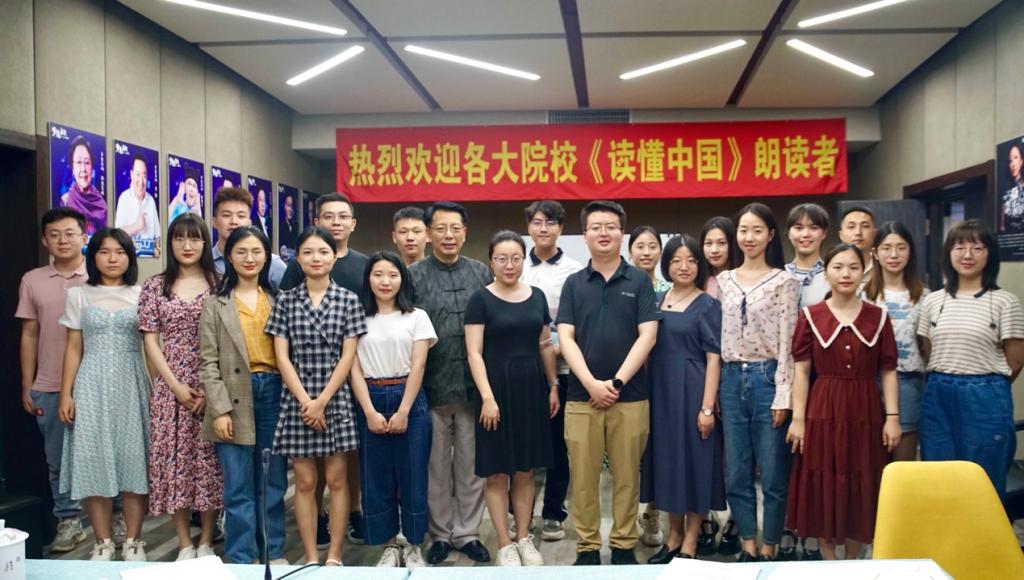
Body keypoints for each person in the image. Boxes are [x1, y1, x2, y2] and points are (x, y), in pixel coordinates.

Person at [557, 200, 660, 566]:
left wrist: (615, 383)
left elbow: (648, 336)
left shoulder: (639, 282)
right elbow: (565, 337)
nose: (604, 232)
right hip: (580, 398)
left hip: (630, 397)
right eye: (596, 227)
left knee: (627, 477)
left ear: (622, 233)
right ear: (584, 234)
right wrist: (590, 384)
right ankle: (587, 547)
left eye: (611, 226)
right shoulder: (573, 283)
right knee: (583, 478)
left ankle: (622, 545)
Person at [786, 243, 901, 560]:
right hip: (823, 408)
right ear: (826, 273)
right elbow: (801, 370)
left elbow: (888, 370)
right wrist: (798, 419)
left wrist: (892, 417)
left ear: (864, 272)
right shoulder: (811, 316)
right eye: (838, 267)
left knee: (863, 477)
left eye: (853, 267)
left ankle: (852, 562)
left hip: (866, 410)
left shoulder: (878, 317)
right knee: (824, 475)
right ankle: (829, 561)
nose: (845, 274)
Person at [265, 227, 367, 566]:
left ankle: (335, 555)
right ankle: (310, 556)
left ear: (333, 257)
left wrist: (321, 401)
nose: (316, 258)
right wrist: (306, 402)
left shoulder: (348, 300)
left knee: (337, 480)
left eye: (323, 252)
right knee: (305, 482)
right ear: (298, 258)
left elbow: (349, 356)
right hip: (297, 400)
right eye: (308, 252)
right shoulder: (286, 300)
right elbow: (282, 357)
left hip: (335, 399)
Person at [465, 231, 558, 567]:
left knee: (525, 469)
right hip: (495, 393)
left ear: (523, 260)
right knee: (496, 472)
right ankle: (504, 542)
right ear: (491, 262)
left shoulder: (537, 296)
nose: (509, 265)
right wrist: (487, 397)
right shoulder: (480, 299)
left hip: (531, 390)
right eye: (501, 259)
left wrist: (552, 386)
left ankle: (523, 537)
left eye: (515, 258)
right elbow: (474, 353)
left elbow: (545, 344)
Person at [58, 228, 150, 562]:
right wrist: (66, 394)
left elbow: (151, 347)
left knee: (133, 460)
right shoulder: (78, 295)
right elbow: (73, 347)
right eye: (104, 252)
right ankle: (103, 541)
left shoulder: (142, 294)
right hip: (91, 384)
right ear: (93, 256)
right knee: (93, 460)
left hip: (132, 381)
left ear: (130, 257)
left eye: (120, 252)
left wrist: (158, 393)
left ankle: (134, 541)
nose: (113, 259)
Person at [410, 201, 494, 565]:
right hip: (430, 387)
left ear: (465, 232)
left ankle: (468, 532)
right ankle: (441, 534)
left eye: (455, 228)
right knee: (435, 467)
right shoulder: (412, 275)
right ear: (429, 234)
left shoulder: (481, 273)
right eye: (441, 228)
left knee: (472, 465)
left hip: (474, 389)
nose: (448, 235)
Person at [199, 226, 289, 565]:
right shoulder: (215, 304)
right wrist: (219, 409)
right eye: (241, 252)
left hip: (274, 391)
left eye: (256, 251)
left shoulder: (280, 298)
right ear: (229, 257)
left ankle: (272, 550)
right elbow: (207, 362)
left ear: (266, 256)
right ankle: (240, 556)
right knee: (237, 485)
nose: (249, 258)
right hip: (233, 394)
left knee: (273, 480)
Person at [917, 219, 1024, 499]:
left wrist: (983, 382)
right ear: (948, 253)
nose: (967, 255)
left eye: (977, 248)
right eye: (959, 247)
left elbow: (1015, 361)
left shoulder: (1005, 302)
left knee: (984, 479)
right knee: (939, 475)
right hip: (938, 392)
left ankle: (985, 529)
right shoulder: (933, 300)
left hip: (985, 396)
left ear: (990, 254)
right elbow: (928, 349)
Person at [716, 202, 798, 562]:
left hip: (768, 378)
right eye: (743, 230)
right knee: (736, 472)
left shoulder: (784, 281)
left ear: (771, 235)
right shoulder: (724, 281)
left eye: (757, 230)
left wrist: (783, 393)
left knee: (774, 472)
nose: (749, 237)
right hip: (731, 378)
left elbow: (788, 341)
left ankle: (770, 545)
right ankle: (748, 543)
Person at [137, 214, 222, 561]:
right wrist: (175, 386)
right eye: (180, 239)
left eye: (195, 239)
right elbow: (150, 341)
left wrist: (209, 389)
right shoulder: (155, 286)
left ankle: (206, 540)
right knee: (174, 464)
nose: (187, 246)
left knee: (209, 463)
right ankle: (184, 542)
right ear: (170, 243)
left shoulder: (219, 284)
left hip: (211, 382)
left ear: (204, 243)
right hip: (170, 387)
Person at [349, 252, 436, 568]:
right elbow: (353, 368)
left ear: (403, 279)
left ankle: (412, 544)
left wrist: (403, 411)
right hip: (369, 397)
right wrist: (369, 411)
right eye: (378, 274)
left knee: (413, 476)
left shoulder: (417, 316)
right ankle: (388, 545)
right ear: (368, 279)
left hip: (408, 398)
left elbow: (419, 366)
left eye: (392, 275)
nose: (385, 281)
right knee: (376, 478)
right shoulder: (356, 315)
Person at [641, 235, 725, 563]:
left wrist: (707, 407)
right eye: (676, 260)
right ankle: (673, 536)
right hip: (660, 393)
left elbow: (714, 359)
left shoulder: (707, 304)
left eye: (691, 260)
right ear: (667, 265)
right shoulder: (657, 300)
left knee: (695, 463)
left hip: (693, 390)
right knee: (668, 463)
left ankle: (690, 541)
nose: (684, 267)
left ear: (699, 265)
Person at [17, 208, 91, 553]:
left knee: (108, 452)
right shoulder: (32, 280)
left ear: (84, 237)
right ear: (45, 241)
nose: (63, 240)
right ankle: (69, 521)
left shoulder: (100, 275)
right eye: (54, 235)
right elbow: (29, 334)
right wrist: (27, 384)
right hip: (48, 382)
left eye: (70, 233)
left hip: (96, 381)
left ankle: (118, 516)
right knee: (58, 460)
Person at [520, 200, 583, 542]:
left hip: (563, 368)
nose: (543, 228)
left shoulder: (575, 270)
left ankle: (553, 513)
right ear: (528, 227)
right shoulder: (517, 266)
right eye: (537, 222)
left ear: (561, 228)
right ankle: (521, 514)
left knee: (559, 446)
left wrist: (557, 346)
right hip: (522, 370)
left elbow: (578, 320)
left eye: (550, 222)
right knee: (524, 446)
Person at [865, 222, 928, 462]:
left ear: (910, 252)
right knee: (871, 460)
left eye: (901, 248)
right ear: (875, 253)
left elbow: (927, 348)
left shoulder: (925, 297)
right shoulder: (862, 295)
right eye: (886, 248)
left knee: (903, 463)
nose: (894, 255)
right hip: (869, 382)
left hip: (908, 382)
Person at [211, 187, 287, 289]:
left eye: (241, 216)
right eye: (226, 215)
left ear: (249, 223)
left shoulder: (272, 264)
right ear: (214, 222)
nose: (234, 221)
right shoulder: (204, 262)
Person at [114, 153, 160, 257]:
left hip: (151, 260)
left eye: (144, 175)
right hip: (130, 259)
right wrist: (137, 226)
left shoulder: (151, 201)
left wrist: (158, 250)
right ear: (131, 174)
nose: (141, 181)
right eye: (138, 174)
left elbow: (157, 236)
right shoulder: (124, 198)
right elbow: (116, 235)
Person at [785, 203, 830, 310]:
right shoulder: (779, 274)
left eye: (813, 228)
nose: (805, 234)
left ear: (824, 233)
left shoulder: (831, 275)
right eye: (798, 228)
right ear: (789, 233)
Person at [59, 136, 107, 235]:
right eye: (79, 162)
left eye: (87, 163)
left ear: (92, 168)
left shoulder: (101, 203)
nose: (83, 169)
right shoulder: (66, 201)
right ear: (73, 169)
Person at [838, 206, 877, 292]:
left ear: (874, 234)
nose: (858, 232)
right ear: (841, 235)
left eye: (865, 226)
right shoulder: (832, 268)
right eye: (851, 227)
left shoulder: (883, 266)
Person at [700, 216, 739, 301]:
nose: (714, 250)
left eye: (721, 243)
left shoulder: (743, 280)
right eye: (708, 243)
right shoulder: (697, 281)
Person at [629, 225, 672, 293]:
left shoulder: (670, 290)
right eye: (640, 247)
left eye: (652, 247)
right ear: (630, 252)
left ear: (660, 253)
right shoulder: (619, 287)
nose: (646, 253)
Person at [1001, 143, 1024, 233]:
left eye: (1016, 158)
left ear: (1021, 161)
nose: (1013, 164)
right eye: (1010, 161)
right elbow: (1002, 226)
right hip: (1009, 236)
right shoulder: (1006, 192)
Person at [279, 191, 298, 261]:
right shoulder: (279, 226)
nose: (290, 209)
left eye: (292, 206)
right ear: (284, 206)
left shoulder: (296, 227)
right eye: (288, 205)